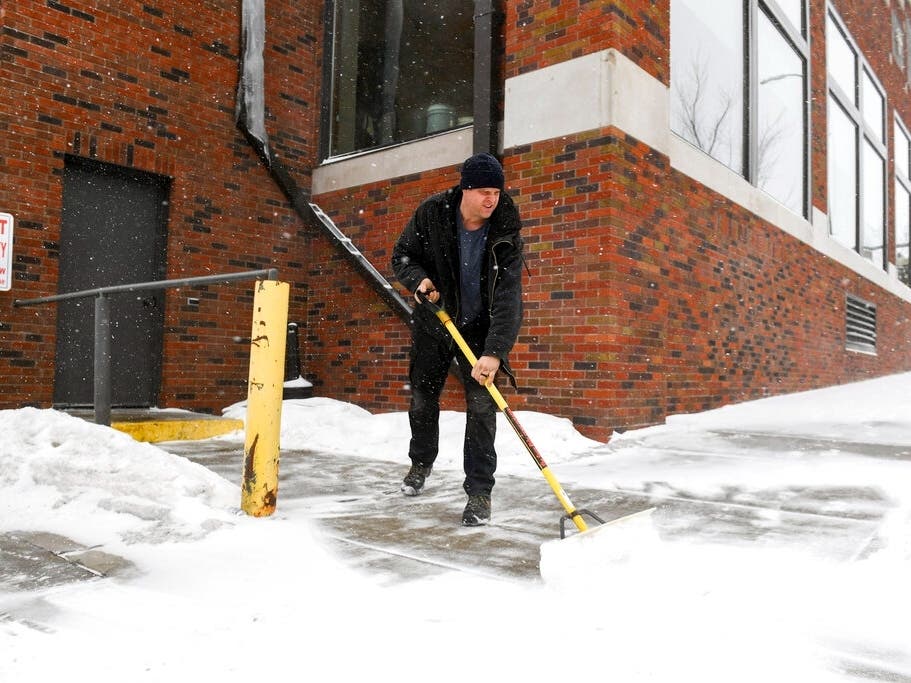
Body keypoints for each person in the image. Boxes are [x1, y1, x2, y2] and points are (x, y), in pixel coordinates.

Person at [391, 152, 524, 526]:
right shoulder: (432, 214)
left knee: (483, 409)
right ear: (465, 189)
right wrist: (419, 281)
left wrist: (495, 352)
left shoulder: (505, 229)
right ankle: (420, 464)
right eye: (483, 191)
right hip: (436, 320)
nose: (490, 200)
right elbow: (401, 256)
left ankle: (479, 492)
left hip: (481, 330)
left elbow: (509, 295)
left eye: (495, 192)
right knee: (422, 396)